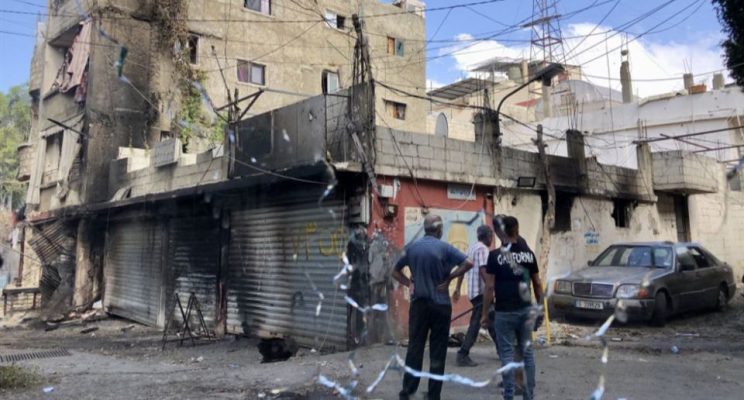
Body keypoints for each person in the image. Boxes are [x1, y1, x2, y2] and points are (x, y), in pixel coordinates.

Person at [392, 214, 474, 400]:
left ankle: (407, 392)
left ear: (425, 228)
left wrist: (409, 283)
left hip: (419, 305)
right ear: (439, 229)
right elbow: (468, 263)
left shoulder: (412, 248)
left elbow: (394, 270)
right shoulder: (445, 248)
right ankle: (433, 395)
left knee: (415, 348)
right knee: (438, 351)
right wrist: (450, 278)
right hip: (441, 306)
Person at [482, 216, 543, 400]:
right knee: (527, 353)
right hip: (526, 310)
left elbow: (489, 287)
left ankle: (509, 395)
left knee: (507, 354)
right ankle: (528, 395)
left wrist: (484, 314)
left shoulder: (494, 256)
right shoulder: (529, 254)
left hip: (504, 311)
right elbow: (537, 284)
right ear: (517, 230)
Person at [454, 224, 498, 367]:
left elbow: (462, 268)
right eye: (492, 236)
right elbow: (483, 271)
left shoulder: (471, 248)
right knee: (476, 323)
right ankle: (463, 354)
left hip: (473, 293)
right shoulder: (483, 249)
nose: (492, 239)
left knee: (491, 320)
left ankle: (503, 351)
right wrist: (492, 289)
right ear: (488, 236)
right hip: (482, 293)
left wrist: (458, 288)